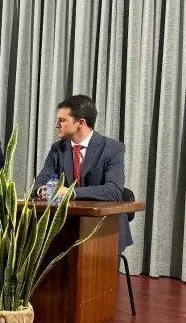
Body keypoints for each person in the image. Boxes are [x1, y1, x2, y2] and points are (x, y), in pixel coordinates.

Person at [33, 94, 131, 251]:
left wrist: (70, 193)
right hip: (66, 228)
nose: (56, 125)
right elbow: (39, 183)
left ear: (80, 123)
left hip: (104, 229)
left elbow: (113, 191)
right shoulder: (57, 149)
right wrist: (43, 190)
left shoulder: (112, 149)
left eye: (62, 120)